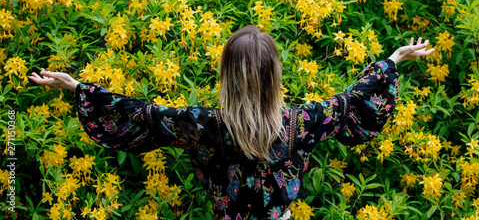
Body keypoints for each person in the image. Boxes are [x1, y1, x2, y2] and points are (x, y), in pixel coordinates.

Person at [30, 25, 434, 220]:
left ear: (226, 75)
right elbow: (351, 102)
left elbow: (140, 113)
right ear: (275, 75)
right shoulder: (305, 121)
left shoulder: (200, 124)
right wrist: (392, 61)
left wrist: (77, 86)